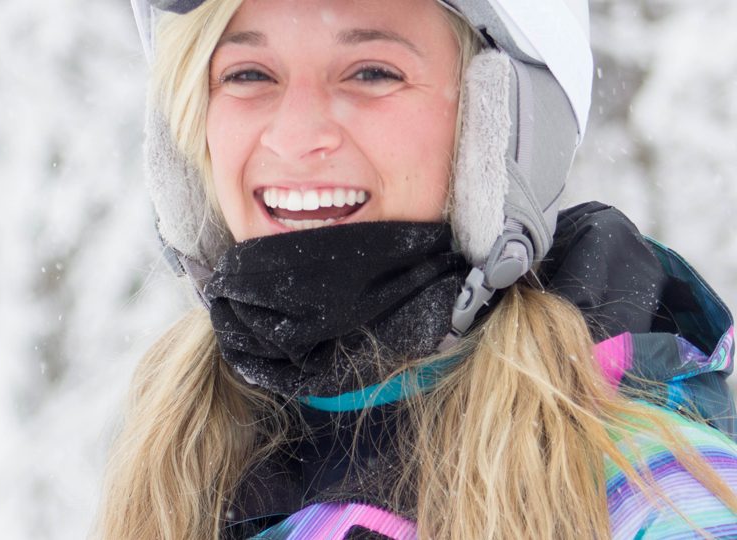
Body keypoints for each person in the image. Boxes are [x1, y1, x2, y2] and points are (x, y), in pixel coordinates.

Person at [98, 0, 737, 538]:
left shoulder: (650, 494)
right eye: (247, 74)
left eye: (372, 72)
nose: (295, 137)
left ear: (501, 126)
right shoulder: (178, 452)